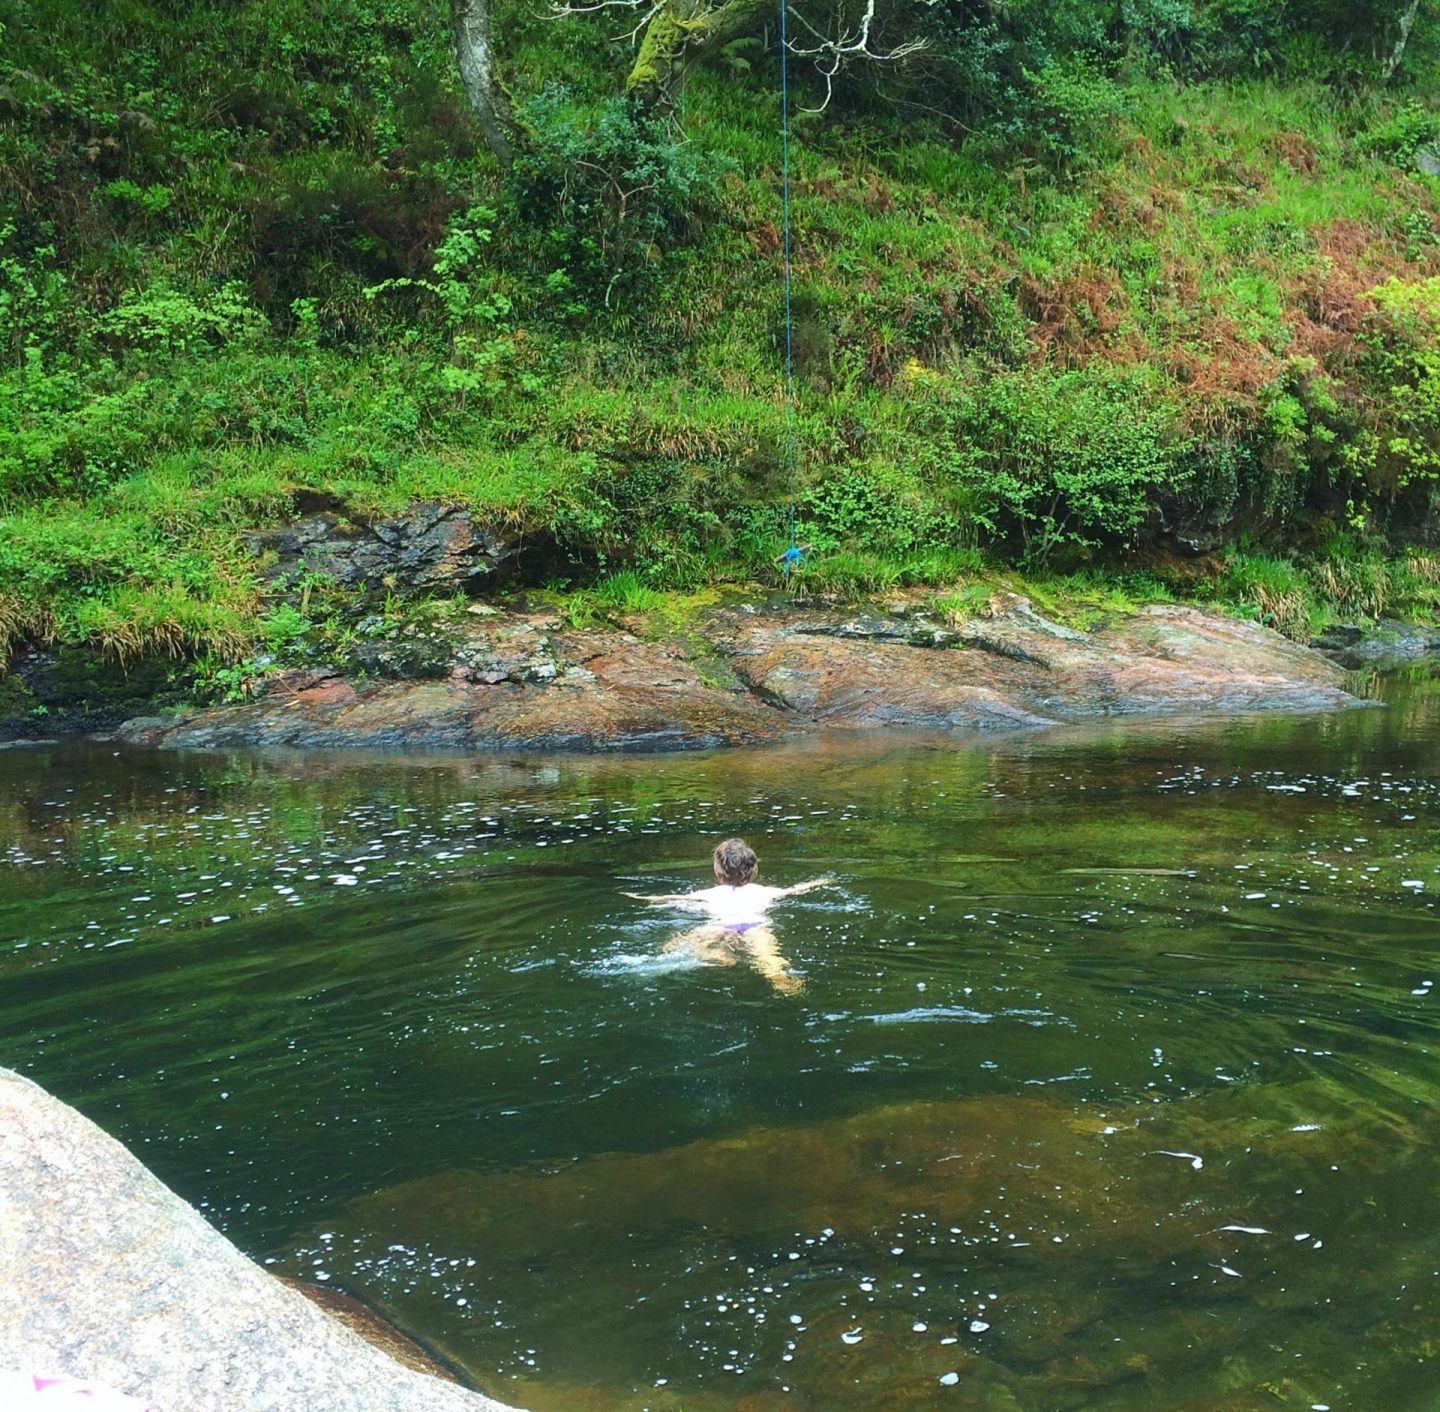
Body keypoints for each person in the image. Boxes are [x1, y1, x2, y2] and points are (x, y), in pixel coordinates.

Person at [626, 838, 833, 994]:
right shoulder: (764, 891)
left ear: (718, 871)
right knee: (769, 958)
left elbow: (672, 899)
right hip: (755, 926)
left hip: (720, 926)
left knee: (674, 946)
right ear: (753, 868)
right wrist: (821, 881)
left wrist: (640, 897)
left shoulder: (708, 894)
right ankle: (779, 978)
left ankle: (714, 955)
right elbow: (794, 890)